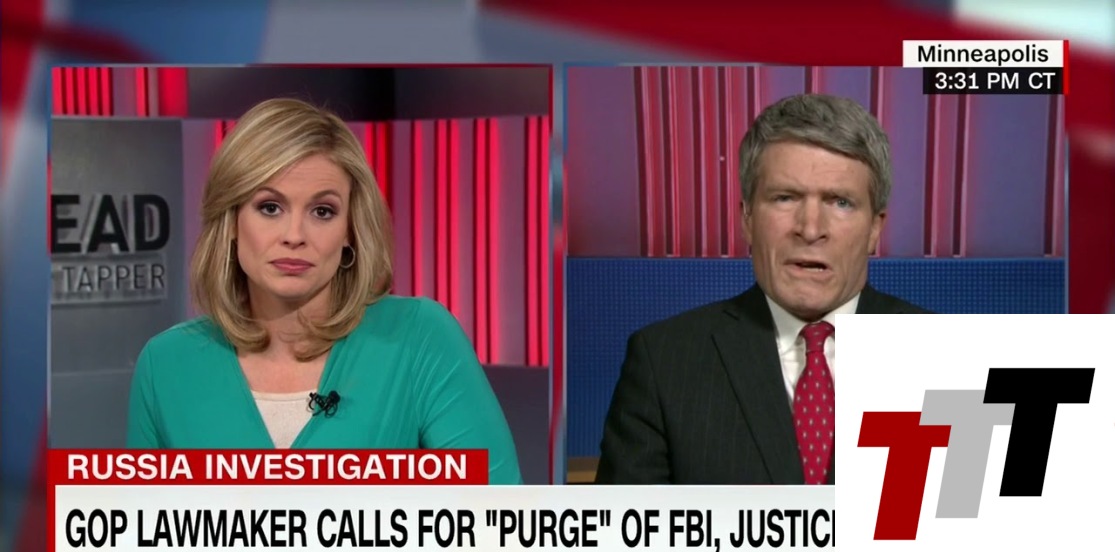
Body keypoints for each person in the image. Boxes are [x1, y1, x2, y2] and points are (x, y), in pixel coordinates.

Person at [126, 97, 522, 485]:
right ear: (230, 221)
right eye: (270, 207)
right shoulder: (166, 364)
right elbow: (142, 524)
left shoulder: (420, 338)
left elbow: (500, 514)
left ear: (350, 230)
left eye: (322, 211)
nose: (294, 235)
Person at [595, 93, 928, 485]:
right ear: (747, 219)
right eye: (785, 198)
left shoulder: (950, 355)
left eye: (840, 202)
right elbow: (630, 524)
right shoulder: (663, 362)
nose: (810, 229)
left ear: (875, 228)